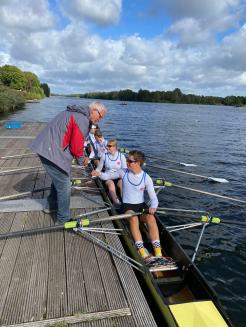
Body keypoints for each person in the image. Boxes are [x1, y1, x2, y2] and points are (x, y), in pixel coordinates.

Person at [29, 101, 107, 223]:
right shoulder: (82, 119)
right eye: (100, 116)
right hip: (51, 151)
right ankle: (63, 219)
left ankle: (51, 206)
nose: (100, 119)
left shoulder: (76, 113)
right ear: (94, 110)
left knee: (59, 180)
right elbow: (76, 147)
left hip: (47, 147)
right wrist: (82, 160)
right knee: (65, 186)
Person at [97, 150, 163, 259]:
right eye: (127, 159)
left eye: (129, 161)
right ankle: (141, 251)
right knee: (134, 219)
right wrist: (98, 173)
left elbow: (154, 199)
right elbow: (106, 176)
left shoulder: (146, 178)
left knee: (151, 218)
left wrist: (153, 207)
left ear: (137, 163)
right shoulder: (123, 172)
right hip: (127, 207)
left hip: (141, 206)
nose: (126, 162)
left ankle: (158, 252)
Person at [91, 139, 127, 207]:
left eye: (109, 146)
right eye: (107, 145)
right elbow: (99, 169)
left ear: (115, 147)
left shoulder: (121, 156)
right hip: (108, 176)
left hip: (119, 177)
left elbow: (124, 170)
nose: (107, 147)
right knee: (111, 184)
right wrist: (95, 173)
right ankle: (116, 203)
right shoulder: (104, 156)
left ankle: (125, 201)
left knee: (121, 184)